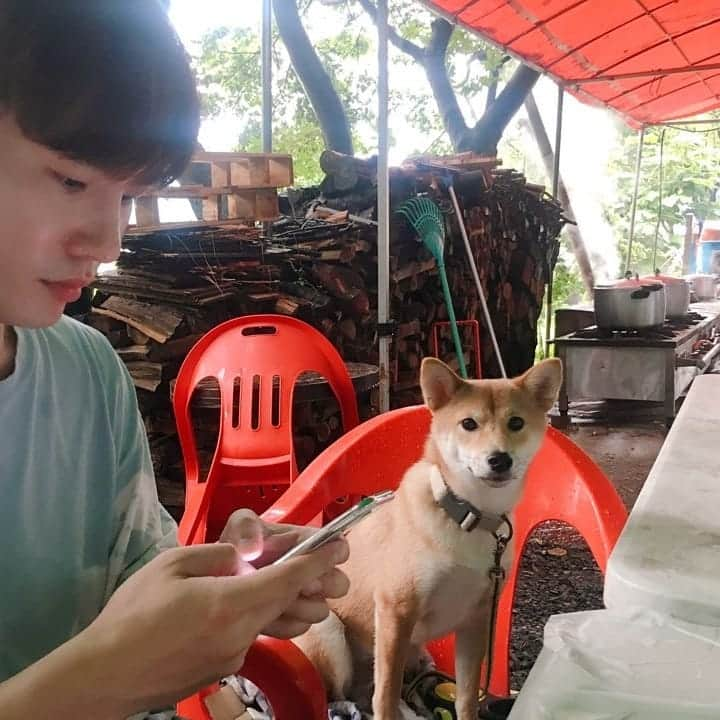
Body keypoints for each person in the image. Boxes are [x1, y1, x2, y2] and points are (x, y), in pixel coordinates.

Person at [0, 1, 349, 717]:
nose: (105, 241)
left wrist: (217, 582)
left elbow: (130, 574)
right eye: (71, 180)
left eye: (128, 196)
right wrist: (92, 684)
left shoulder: (85, 369)